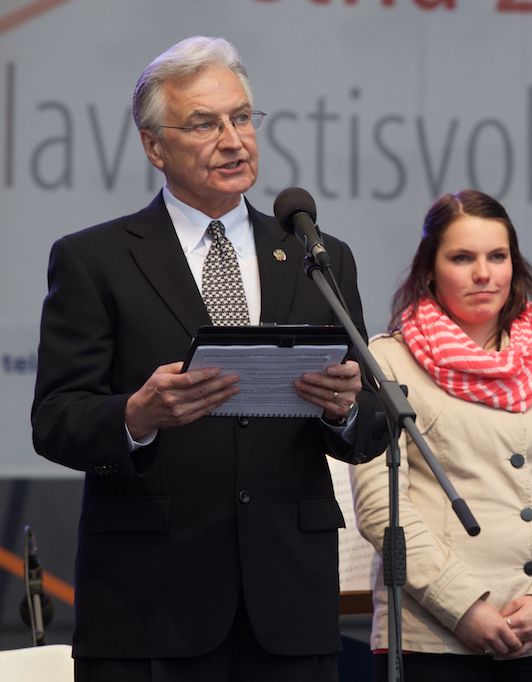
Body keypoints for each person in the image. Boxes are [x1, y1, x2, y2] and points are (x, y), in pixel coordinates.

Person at [31, 36, 387, 681]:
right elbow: (56, 420)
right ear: (153, 146)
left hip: (287, 605)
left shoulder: (316, 255)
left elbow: (370, 427)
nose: (233, 139)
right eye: (204, 124)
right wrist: (136, 417)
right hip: (149, 607)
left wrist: (344, 409)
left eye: (242, 117)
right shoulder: (96, 260)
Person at [351, 190, 532, 681]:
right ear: (429, 269)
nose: (483, 274)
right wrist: (465, 607)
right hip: (436, 633)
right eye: (462, 258)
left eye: (497, 256)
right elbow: (383, 508)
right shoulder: (385, 361)